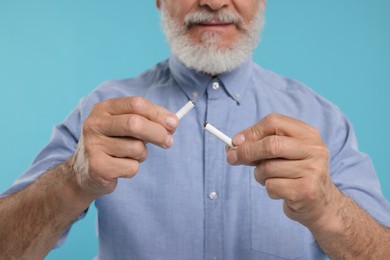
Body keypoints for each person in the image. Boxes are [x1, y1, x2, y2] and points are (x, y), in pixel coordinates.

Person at [1, 0, 390, 259]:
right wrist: (74, 179)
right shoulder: (102, 116)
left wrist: (327, 208)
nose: (216, 1)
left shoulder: (322, 119)